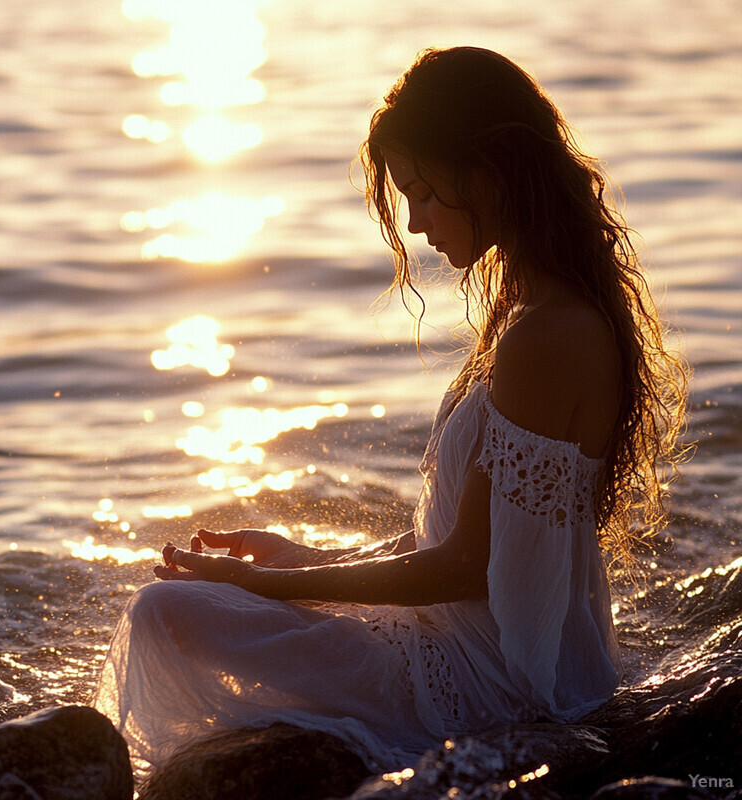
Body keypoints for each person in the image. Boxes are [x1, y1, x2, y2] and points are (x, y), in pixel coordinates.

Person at [94, 46, 687, 771]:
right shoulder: (532, 311)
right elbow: (463, 544)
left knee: (165, 614)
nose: (413, 223)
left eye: (423, 191)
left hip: (490, 685)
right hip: (467, 650)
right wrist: (305, 558)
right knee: (179, 610)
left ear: (489, 171)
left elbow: (468, 566)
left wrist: (269, 584)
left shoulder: (549, 334)